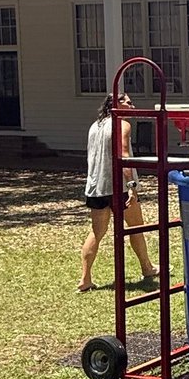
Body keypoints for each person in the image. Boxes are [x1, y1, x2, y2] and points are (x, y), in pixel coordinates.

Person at [78, 92, 158, 293]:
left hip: (96, 187)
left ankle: (85, 279)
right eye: (129, 103)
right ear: (117, 105)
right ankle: (147, 268)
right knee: (136, 226)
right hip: (118, 186)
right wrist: (132, 186)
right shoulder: (122, 124)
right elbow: (123, 154)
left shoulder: (95, 126)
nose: (133, 106)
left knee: (97, 232)